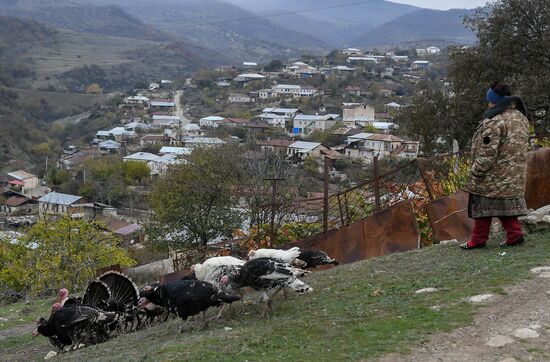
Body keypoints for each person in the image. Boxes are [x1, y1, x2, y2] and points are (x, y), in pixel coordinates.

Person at [460, 81, 530, 249]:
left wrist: (476, 171)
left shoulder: (494, 122)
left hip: (495, 174)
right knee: (502, 205)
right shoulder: (520, 117)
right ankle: (515, 235)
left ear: (494, 100)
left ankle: (478, 240)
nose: (488, 103)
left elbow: (487, 153)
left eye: (489, 100)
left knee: (483, 204)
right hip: (514, 173)